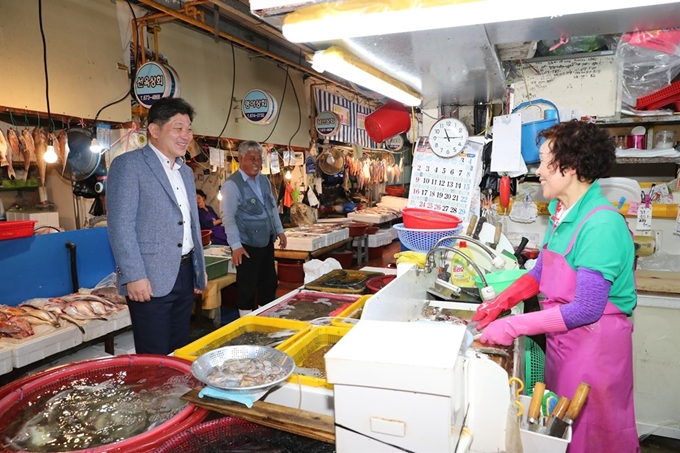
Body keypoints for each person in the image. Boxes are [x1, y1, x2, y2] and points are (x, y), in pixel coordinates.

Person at [472, 120, 638, 453]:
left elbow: (587, 308)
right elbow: (540, 274)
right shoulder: (562, 212)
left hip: (596, 351)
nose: (539, 171)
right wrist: (500, 303)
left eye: (546, 160)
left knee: (591, 438)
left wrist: (514, 325)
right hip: (565, 343)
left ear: (571, 165)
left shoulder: (601, 223)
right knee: (560, 433)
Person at [107, 97, 207, 355]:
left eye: (188, 128)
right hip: (149, 278)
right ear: (154, 130)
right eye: (178, 127)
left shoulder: (185, 171)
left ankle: (177, 396)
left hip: (184, 274)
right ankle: (154, 397)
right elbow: (120, 225)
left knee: (179, 350)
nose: (186, 135)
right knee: (153, 356)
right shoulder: (129, 165)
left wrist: (198, 268)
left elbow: (191, 224)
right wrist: (134, 275)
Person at [221, 140, 287, 317]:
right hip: (246, 244)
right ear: (241, 158)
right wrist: (236, 246)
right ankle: (246, 321)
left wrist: (280, 230)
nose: (257, 163)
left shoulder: (264, 180)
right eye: (252, 159)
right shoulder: (231, 185)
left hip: (266, 240)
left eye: (259, 159)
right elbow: (228, 218)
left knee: (269, 282)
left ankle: (266, 317)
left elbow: (272, 207)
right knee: (247, 285)